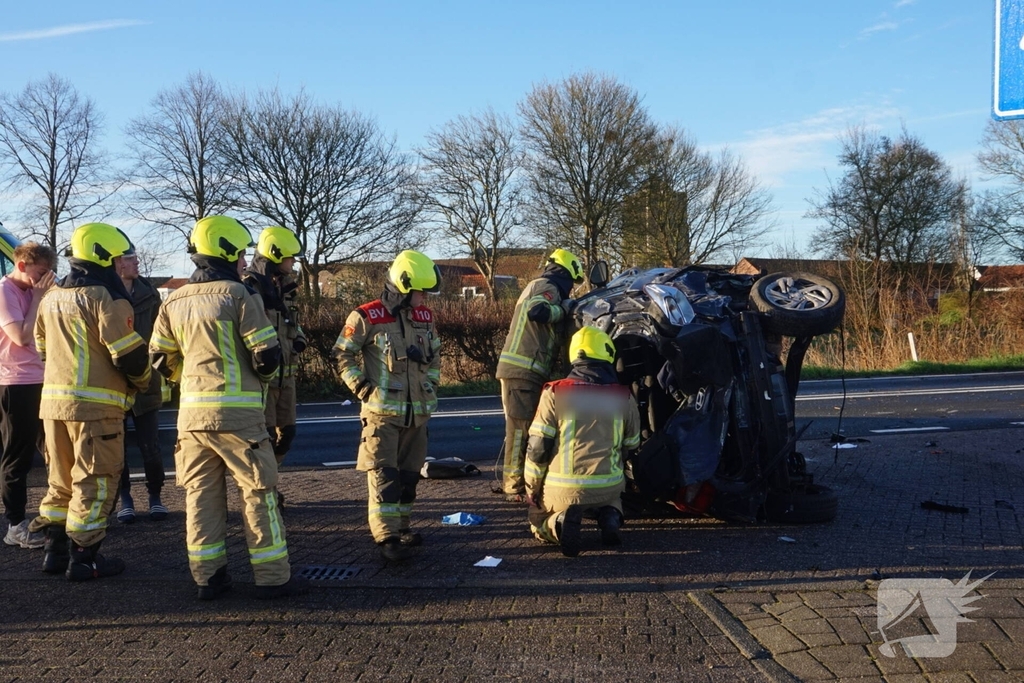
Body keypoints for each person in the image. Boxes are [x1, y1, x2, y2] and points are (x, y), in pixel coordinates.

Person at [150, 215, 307, 600]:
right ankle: (272, 578)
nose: (243, 261)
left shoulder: (174, 300)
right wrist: (260, 382)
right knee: (258, 494)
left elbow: (160, 358)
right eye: (239, 254)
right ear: (224, 254)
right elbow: (267, 355)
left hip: (192, 419)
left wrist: (190, 380)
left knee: (201, 498)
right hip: (239, 418)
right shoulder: (239, 295)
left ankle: (208, 579)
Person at [29, 223, 152, 580]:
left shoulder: (52, 297)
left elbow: (42, 348)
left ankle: (54, 553)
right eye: (119, 258)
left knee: (60, 481)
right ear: (104, 258)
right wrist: (144, 382)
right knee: (94, 481)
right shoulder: (106, 298)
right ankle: (84, 558)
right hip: (95, 411)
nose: (122, 264)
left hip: (53, 407)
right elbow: (129, 356)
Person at [333, 250, 441, 562]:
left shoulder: (424, 318)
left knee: (409, 479)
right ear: (404, 288)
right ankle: (387, 537)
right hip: (381, 415)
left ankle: (402, 528)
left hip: (417, 415)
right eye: (420, 292)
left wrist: (431, 385)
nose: (424, 298)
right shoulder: (366, 316)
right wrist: (361, 387)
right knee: (385, 478)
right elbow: (342, 353)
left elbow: (435, 356)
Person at [524, 326, 641, 557]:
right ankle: (611, 516)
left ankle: (559, 523)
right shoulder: (624, 397)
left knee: (537, 521)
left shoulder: (554, 393)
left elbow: (538, 448)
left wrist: (532, 489)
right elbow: (632, 444)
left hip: (563, 490)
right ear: (608, 355)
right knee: (613, 499)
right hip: (608, 487)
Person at [496, 248, 584, 502]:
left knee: (523, 429)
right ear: (566, 274)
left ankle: (520, 482)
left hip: (525, 371)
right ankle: (514, 487)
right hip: (523, 371)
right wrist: (565, 310)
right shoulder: (548, 286)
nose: (571, 289)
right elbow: (538, 312)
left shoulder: (539, 285)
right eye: (572, 283)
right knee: (520, 430)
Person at [241, 227, 306, 498]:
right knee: (264, 438)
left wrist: (300, 338)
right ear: (276, 255)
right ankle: (266, 490)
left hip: (286, 377)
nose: (294, 262)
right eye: (290, 257)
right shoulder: (249, 286)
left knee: (287, 435)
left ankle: (271, 478)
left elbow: (292, 321)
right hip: (262, 380)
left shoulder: (287, 286)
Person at [0, 242, 56, 549]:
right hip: (15, 382)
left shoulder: (37, 290)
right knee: (17, 456)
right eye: (41, 272)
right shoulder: (5, 291)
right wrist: (36, 298)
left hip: (43, 379)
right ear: (21, 266)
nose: (45, 279)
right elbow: (21, 337)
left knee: (54, 451)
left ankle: (54, 517)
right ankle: (15, 525)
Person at [115, 245, 168, 523]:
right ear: (117, 263)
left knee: (151, 446)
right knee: (117, 448)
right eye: (129, 258)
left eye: (135, 257)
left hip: (147, 380)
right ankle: (125, 500)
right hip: (114, 381)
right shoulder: (105, 294)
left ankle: (155, 497)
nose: (136, 262)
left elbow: (163, 333)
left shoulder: (151, 294)